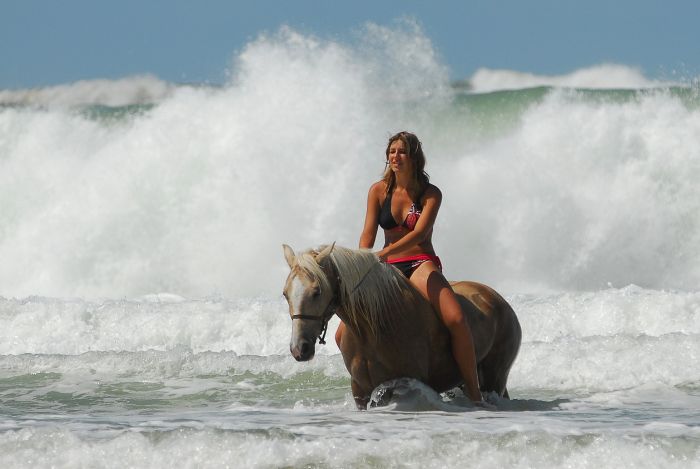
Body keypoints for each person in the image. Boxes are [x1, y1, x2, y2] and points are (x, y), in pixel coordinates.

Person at [335, 131, 483, 403]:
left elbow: (419, 233)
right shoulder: (378, 191)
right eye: (392, 151)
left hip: (419, 264)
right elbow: (367, 235)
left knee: (456, 319)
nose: (395, 156)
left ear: (414, 157)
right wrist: (360, 263)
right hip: (385, 267)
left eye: (402, 151)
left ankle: (474, 393)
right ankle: (363, 390)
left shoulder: (430, 194)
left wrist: (385, 252)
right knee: (341, 333)